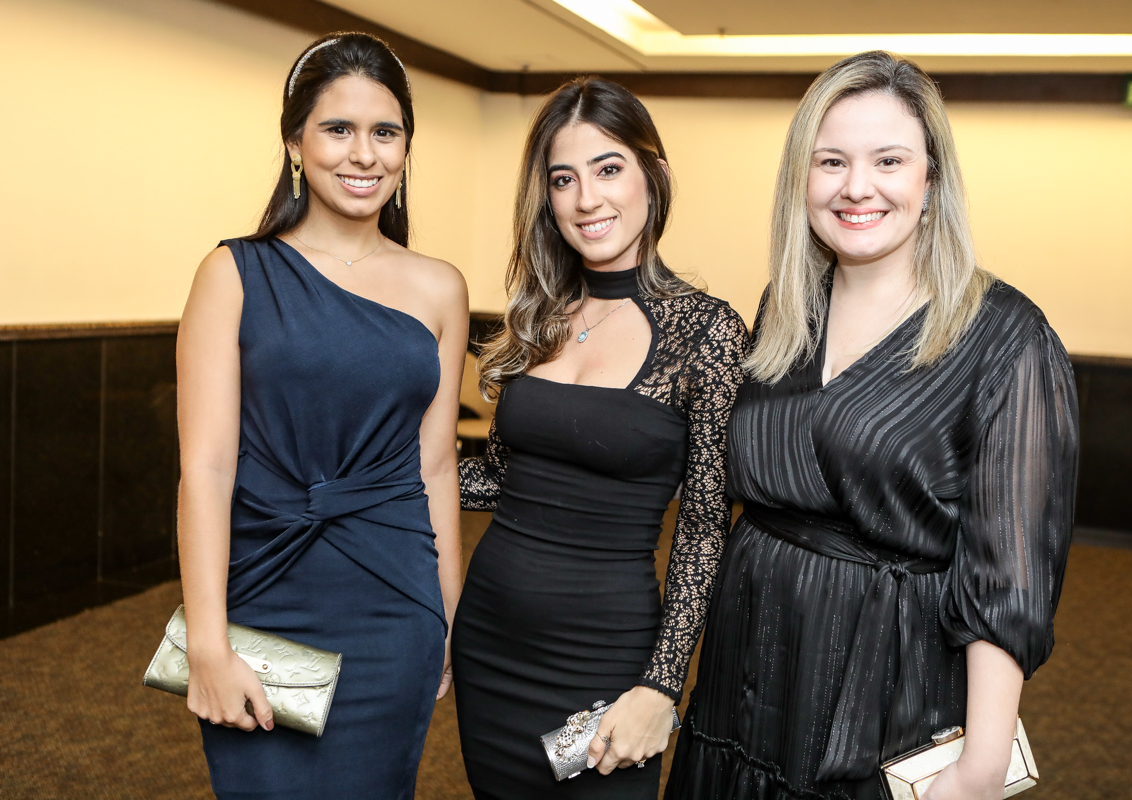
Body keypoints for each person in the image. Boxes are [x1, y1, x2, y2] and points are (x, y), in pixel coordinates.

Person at [666, 51, 1079, 800]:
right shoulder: (787, 307)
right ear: (802, 179)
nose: (857, 187)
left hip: (886, 687)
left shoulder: (1005, 336)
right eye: (831, 162)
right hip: (744, 671)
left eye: (889, 160)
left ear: (932, 178)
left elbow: (1010, 575)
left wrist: (983, 764)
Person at [175, 33, 466, 800]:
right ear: (295, 143)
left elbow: (436, 465)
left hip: (394, 603)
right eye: (338, 129)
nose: (364, 154)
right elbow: (206, 468)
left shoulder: (439, 287)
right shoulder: (233, 273)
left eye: (386, 132)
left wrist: (449, 615)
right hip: (263, 593)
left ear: (406, 148)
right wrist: (205, 640)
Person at [453, 77, 749, 799]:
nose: (587, 199)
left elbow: (704, 527)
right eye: (564, 179)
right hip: (490, 639)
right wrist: (381, 471)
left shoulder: (707, 331)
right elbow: (501, 480)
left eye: (608, 169)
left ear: (654, 175)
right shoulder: (537, 315)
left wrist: (662, 683)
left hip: (605, 654)